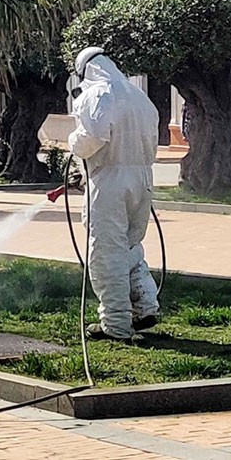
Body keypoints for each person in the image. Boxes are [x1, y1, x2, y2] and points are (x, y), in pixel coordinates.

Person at [68, 46, 161, 341]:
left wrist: (72, 141)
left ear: (85, 71)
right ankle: (146, 306)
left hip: (109, 179)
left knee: (107, 254)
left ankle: (116, 325)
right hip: (142, 178)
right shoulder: (139, 96)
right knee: (130, 247)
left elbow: (92, 138)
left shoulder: (97, 94)